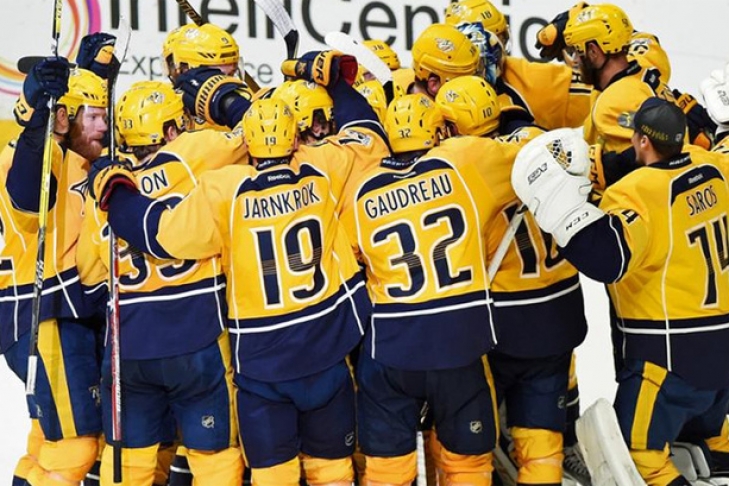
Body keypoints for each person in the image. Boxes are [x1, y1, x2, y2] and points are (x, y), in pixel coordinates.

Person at [85, 50, 389, 486]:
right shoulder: (321, 166)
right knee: (333, 471)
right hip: (327, 345)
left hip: (261, 360)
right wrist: (337, 83)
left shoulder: (223, 188)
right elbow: (369, 137)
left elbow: (156, 233)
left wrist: (114, 189)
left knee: (271, 475)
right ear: (297, 137)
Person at [512, 98, 729, 486]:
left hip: (668, 360)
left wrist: (563, 211)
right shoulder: (713, 166)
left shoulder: (636, 193)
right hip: (721, 350)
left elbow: (607, 259)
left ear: (641, 140)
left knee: (637, 456)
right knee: (713, 435)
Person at [340, 91, 534, 486]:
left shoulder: (362, 189)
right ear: (437, 131)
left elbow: (348, 257)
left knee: (387, 470)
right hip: (458, 345)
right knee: (467, 465)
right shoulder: (463, 161)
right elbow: (534, 155)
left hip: (391, 351)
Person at [77, 80, 246, 485]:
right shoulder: (195, 151)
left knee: (128, 463)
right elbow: (253, 130)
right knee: (214, 458)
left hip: (130, 349)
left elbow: (90, 273)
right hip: (198, 339)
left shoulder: (102, 189)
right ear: (172, 129)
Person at [435, 75, 589, 486]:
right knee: (542, 439)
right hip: (561, 311)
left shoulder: (463, 159)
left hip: (506, 321)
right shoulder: (540, 140)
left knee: (475, 436)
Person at [1, 61, 107, 486]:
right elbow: (29, 199)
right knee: (76, 446)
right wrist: (41, 120)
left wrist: (93, 69)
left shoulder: (73, 156)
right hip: (44, 315)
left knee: (46, 442)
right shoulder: (40, 154)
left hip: (53, 313)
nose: (104, 126)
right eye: (94, 117)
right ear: (62, 117)